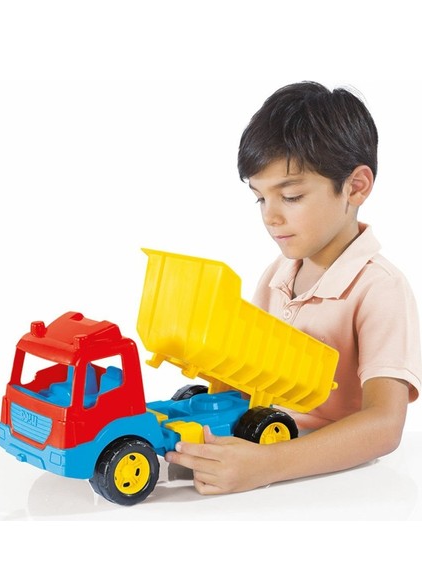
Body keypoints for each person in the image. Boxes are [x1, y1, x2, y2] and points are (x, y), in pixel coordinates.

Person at [165, 81, 422, 495]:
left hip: (335, 483)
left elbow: (384, 425)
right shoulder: (277, 275)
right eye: (260, 199)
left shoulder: (380, 288)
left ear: (355, 187)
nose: (271, 217)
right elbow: (246, 373)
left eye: (292, 196)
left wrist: (267, 465)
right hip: (266, 445)